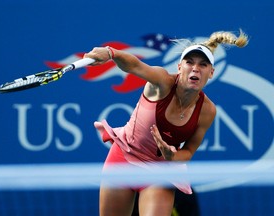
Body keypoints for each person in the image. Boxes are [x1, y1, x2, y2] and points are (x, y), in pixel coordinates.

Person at [84, 29, 248, 216]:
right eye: (189, 62)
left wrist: (172, 158)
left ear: (211, 73)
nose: (195, 68)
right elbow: (134, 66)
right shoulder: (162, 82)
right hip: (123, 158)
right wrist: (111, 53)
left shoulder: (207, 111)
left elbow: (188, 152)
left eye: (203, 65)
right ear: (179, 67)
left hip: (159, 172)